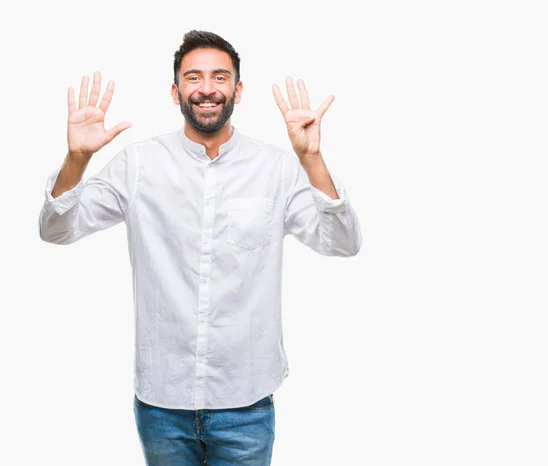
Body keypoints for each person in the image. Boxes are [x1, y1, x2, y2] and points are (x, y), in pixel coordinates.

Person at [39, 30, 362, 466]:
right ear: (176, 91)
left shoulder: (276, 169)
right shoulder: (139, 166)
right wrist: (77, 159)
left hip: (246, 401)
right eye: (193, 78)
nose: (207, 88)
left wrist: (312, 160)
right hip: (162, 402)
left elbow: (342, 243)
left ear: (237, 90)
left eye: (220, 77)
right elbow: (56, 230)